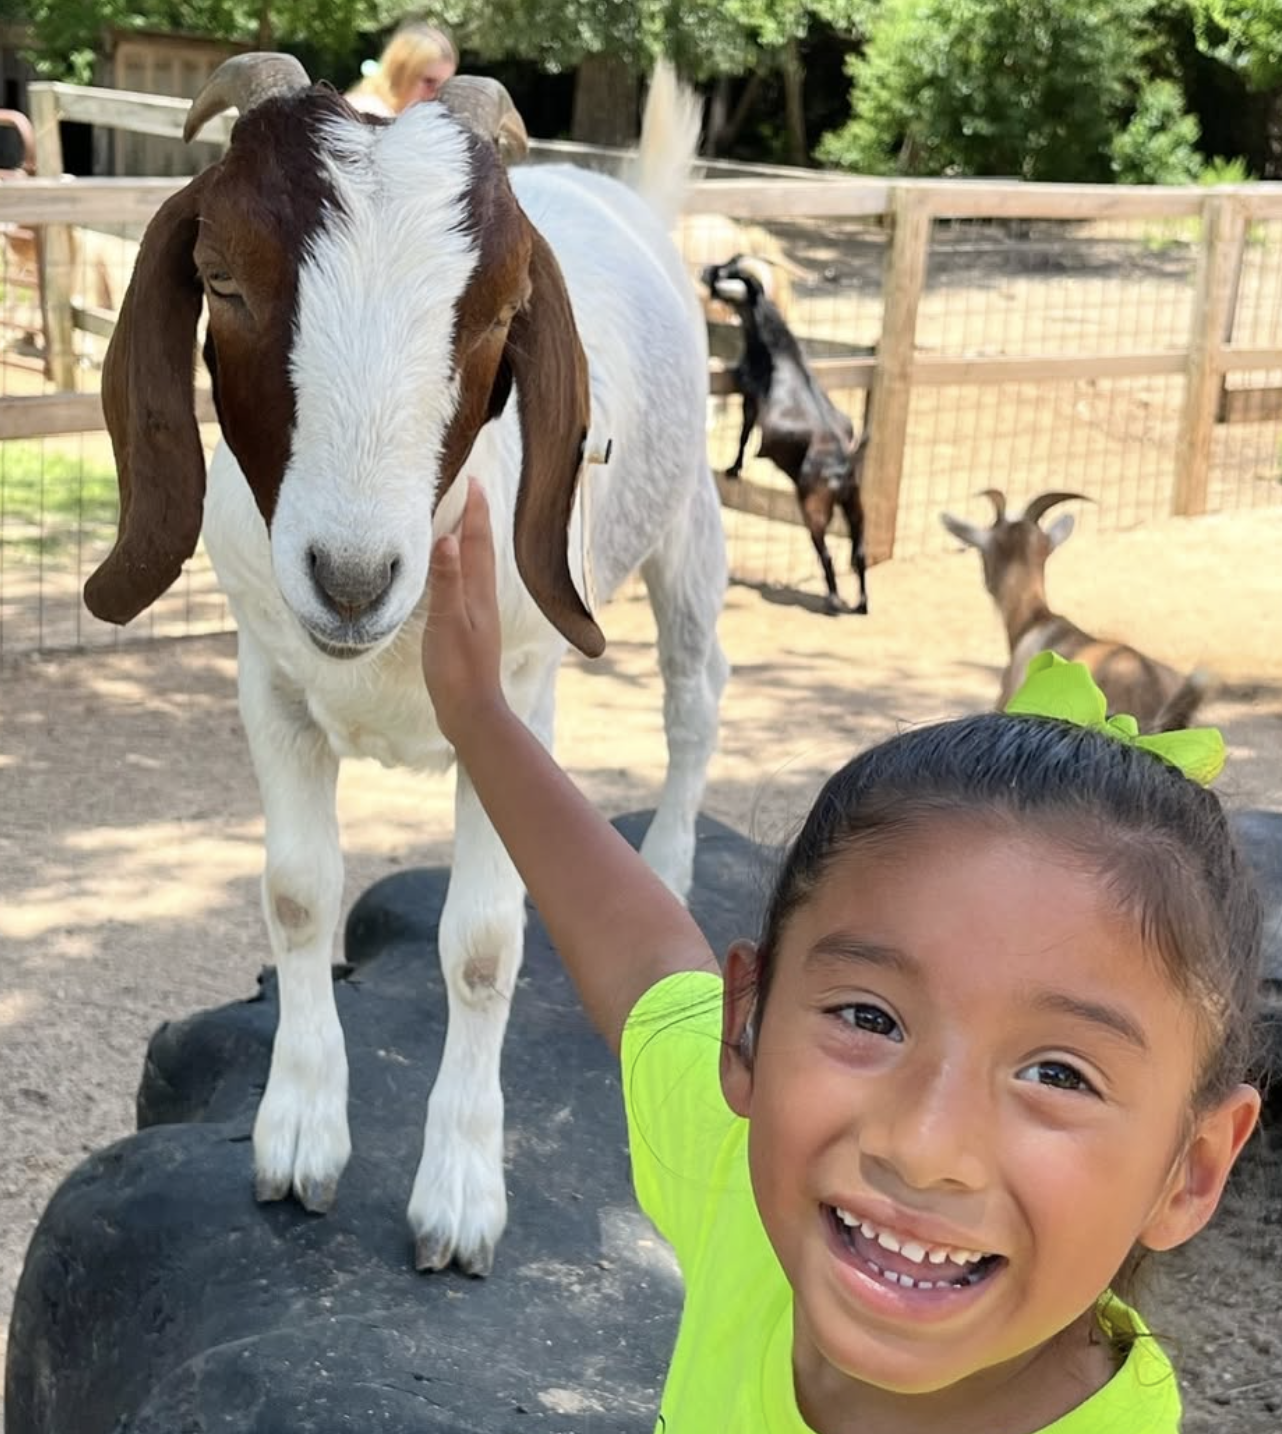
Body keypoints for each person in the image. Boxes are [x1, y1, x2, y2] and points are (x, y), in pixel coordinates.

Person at [421, 479, 1263, 1434]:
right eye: (871, 1018)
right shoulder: (752, 1175)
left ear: (1189, 1169)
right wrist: (476, 711)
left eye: (1058, 1073)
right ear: (747, 1031)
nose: (923, 1144)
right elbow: (639, 957)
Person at [346, 20, 459, 118]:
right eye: (429, 81)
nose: (436, 95)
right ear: (399, 73)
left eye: (445, 87)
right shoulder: (365, 114)